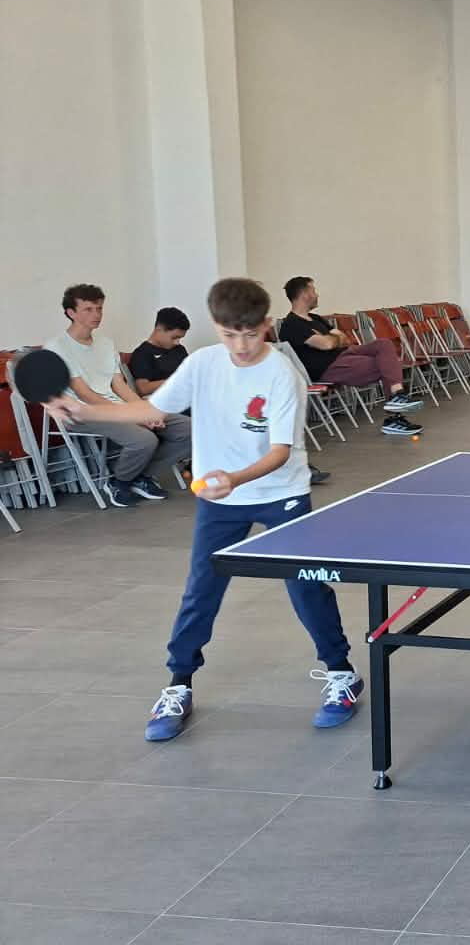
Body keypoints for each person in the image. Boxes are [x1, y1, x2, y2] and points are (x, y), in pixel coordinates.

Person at [45, 277, 363, 741]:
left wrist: (234, 478)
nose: (241, 346)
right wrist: (80, 410)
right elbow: (151, 410)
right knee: (202, 590)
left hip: (281, 493)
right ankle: (178, 683)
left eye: (250, 334)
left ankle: (340, 673)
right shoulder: (202, 364)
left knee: (306, 585)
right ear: (217, 327)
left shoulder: (282, 375)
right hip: (221, 500)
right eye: (230, 335)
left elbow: (280, 452)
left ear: (266, 325)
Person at [47, 283, 192, 508]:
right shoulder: (57, 347)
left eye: (99, 308)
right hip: (83, 411)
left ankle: (139, 476)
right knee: (144, 440)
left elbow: (119, 385)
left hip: (116, 406)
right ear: (71, 313)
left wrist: (144, 411)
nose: (96, 314)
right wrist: (131, 415)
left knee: (190, 430)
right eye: (88, 309)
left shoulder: (106, 344)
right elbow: (84, 393)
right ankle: (120, 482)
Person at [278, 277, 423, 437]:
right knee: (388, 364)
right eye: (313, 290)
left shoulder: (316, 319)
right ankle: (395, 414)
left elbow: (345, 339)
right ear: (304, 294)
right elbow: (326, 344)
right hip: (328, 367)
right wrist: (333, 339)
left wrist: (332, 339)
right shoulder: (291, 324)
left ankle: (397, 396)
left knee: (384, 344)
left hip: (346, 353)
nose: (317, 294)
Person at [127, 307, 190, 396]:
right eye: (174, 337)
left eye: (180, 338)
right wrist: (176, 380)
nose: (177, 342)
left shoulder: (180, 349)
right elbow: (143, 388)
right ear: (159, 329)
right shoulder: (142, 354)